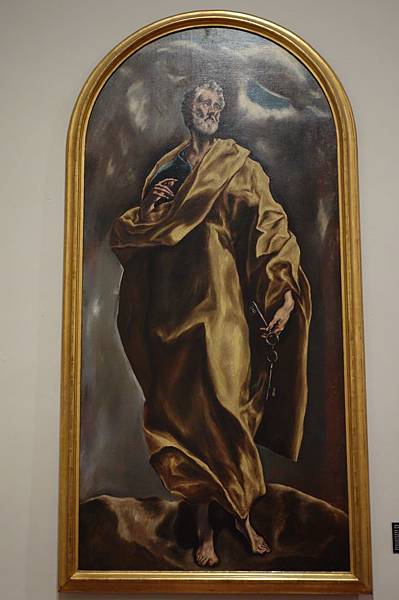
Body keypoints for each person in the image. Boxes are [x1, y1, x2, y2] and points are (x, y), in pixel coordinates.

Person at [110, 80, 311, 567]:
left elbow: (271, 231)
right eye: (202, 102)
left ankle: (242, 517)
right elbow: (145, 235)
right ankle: (204, 530)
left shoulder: (240, 167)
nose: (210, 110)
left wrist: (283, 293)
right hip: (171, 315)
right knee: (187, 422)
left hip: (222, 312)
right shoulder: (169, 169)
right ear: (188, 109)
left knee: (227, 409)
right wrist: (151, 210)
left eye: (217, 105)